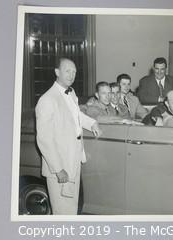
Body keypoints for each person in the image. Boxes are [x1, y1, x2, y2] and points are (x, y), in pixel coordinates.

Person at [35, 58, 102, 215]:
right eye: (67, 71)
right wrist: (58, 169)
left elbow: (75, 115)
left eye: (74, 72)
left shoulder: (71, 92)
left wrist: (92, 123)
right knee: (62, 212)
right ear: (57, 72)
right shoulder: (47, 100)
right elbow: (44, 140)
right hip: (60, 166)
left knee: (71, 209)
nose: (72, 75)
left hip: (74, 160)